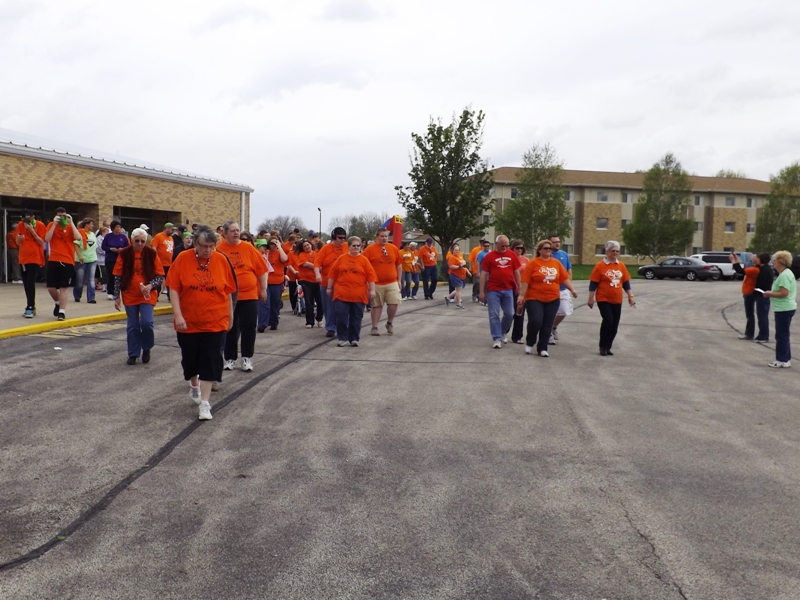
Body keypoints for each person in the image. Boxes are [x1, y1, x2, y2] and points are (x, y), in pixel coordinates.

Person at [167, 225, 237, 420]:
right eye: (204, 246)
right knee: (190, 359)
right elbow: (173, 288)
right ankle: (194, 383)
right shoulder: (183, 258)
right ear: (195, 244)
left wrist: (230, 316)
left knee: (211, 359)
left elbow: (228, 291)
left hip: (215, 319)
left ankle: (205, 403)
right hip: (189, 321)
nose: (208, 250)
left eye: (211, 246)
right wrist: (178, 315)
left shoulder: (221, 260)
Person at [216, 221, 268, 371]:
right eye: (232, 231)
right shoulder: (219, 250)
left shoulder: (248, 248)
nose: (236, 233)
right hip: (228, 297)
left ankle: (247, 357)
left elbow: (262, 270)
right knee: (230, 328)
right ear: (225, 233)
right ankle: (230, 358)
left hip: (249, 295)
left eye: (237, 230)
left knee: (249, 327)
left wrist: (263, 289)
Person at [517, 239, 578, 357]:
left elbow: (564, 278)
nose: (548, 250)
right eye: (545, 248)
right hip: (534, 297)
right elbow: (525, 281)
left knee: (547, 324)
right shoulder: (533, 263)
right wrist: (521, 295)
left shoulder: (556, 263)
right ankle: (530, 342)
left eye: (550, 248)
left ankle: (542, 348)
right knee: (536, 321)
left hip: (553, 298)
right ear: (540, 250)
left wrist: (572, 289)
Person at [113, 228, 165, 365]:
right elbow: (117, 276)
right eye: (137, 241)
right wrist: (116, 296)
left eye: (143, 241)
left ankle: (146, 347)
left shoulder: (151, 254)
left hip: (147, 295)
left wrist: (151, 285)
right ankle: (133, 353)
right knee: (133, 325)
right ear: (131, 240)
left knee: (147, 322)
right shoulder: (124, 253)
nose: (140, 244)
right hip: (129, 294)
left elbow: (160, 275)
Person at [327, 236, 377, 346]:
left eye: (358, 245)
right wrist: (329, 288)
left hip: (358, 294)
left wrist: (372, 290)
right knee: (341, 316)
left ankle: (354, 338)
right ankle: (342, 337)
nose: (356, 247)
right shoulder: (341, 258)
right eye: (354, 245)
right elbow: (332, 274)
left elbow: (371, 276)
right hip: (341, 293)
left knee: (356, 317)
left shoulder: (364, 260)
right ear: (349, 246)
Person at [587, 240, 635, 356]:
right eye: (613, 251)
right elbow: (593, 283)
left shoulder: (621, 265)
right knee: (608, 320)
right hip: (603, 298)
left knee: (614, 325)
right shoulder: (600, 265)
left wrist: (630, 296)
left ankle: (608, 346)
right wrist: (591, 298)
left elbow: (626, 282)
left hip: (617, 299)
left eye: (617, 251)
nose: (615, 253)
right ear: (607, 252)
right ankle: (602, 346)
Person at [479, 235, 521, 348]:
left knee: (510, 313)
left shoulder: (511, 254)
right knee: (494, 315)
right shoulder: (489, 256)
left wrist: (519, 286)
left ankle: (502, 331)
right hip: (493, 290)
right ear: (496, 244)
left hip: (508, 289)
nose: (505, 248)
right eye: (502, 246)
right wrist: (481, 291)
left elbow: (516, 271)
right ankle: (497, 338)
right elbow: (483, 274)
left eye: (507, 246)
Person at [44, 207, 82, 321]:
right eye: (59, 216)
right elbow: (47, 238)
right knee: (51, 287)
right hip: (54, 258)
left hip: (67, 260)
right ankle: (57, 302)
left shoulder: (70, 226)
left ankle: (62, 311)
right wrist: (54, 224)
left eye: (63, 216)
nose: (61, 218)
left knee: (63, 287)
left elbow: (78, 237)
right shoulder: (51, 225)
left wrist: (71, 222)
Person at [363, 228, 403, 335]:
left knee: (394, 303)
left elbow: (399, 265)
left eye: (386, 236)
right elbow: (364, 265)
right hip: (376, 283)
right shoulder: (369, 249)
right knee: (377, 306)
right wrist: (367, 282)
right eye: (382, 236)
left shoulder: (393, 248)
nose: (384, 238)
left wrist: (399, 280)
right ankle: (374, 327)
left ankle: (389, 323)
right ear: (377, 237)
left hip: (392, 282)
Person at [762, 251, 797, 368]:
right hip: (785, 308)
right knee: (784, 334)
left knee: (781, 335)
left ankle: (781, 359)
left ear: (781, 261)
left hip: (784, 308)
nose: (773, 263)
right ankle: (786, 358)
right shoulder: (787, 273)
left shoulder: (784, 276)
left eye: (775, 261)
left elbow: (784, 293)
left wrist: (769, 293)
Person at [315, 227, 349, 337]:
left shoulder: (347, 246)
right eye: (340, 238)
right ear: (334, 237)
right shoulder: (326, 248)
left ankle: (344, 326)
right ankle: (331, 327)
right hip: (327, 282)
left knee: (343, 306)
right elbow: (317, 263)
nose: (342, 240)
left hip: (344, 282)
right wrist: (317, 274)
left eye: (344, 238)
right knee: (329, 307)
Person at [731, 252, 770, 341]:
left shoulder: (756, 269)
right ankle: (750, 333)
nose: (753, 258)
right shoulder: (756, 268)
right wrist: (736, 260)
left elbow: (740, 271)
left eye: (755, 257)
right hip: (750, 291)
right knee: (751, 314)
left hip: (750, 292)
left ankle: (750, 333)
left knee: (751, 314)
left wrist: (733, 260)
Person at [15, 209, 46, 317]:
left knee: (30, 282)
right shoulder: (20, 225)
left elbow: (42, 242)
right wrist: (19, 238)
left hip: (35, 257)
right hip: (23, 257)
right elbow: (17, 242)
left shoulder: (40, 225)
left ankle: (30, 306)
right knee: (25, 282)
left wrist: (32, 230)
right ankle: (30, 304)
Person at [549, 234, 573, 344]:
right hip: (551, 289)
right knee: (550, 312)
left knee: (563, 311)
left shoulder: (564, 254)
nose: (557, 244)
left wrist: (570, 284)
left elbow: (569, 269)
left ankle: (553, 327)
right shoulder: (548, 255)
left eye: (558, 241)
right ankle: (548, 333)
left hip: (563, 288)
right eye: (554, 242)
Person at [295, 239, 323, 328]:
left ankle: (319, 319)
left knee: (320, 301)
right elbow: (306, 264)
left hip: (317, 280)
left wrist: (316, 267)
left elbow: (322, 266)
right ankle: (309, 322)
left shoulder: (317, 254)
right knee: (309, 302)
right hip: (306, 281)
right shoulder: (302, 255)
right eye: (304, 246)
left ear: (311, 245)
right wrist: (316, 266)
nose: (307, 247)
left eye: (308, 245)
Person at [101, 220, 130, 300]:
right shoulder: (108, 236)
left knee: (119, 276)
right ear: (113, 228)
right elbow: (103, 246)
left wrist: (122, 249)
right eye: (117, 227)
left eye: (119, 227)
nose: (118, 228)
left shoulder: (123, 237)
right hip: (110, 259)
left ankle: (118, 292)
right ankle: (110, 292)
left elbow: (128, 247)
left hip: (120, 259)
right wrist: (110, 249)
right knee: (111, 276)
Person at [73, 218, 98, 304]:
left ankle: (91, 298)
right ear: (86, 224)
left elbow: (95, 246)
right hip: (81, 260)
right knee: (80, 280)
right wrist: (79, 256)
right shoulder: (79, 232)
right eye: (91, 224)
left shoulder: (92, 234)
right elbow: (75, 245)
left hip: (92, 259)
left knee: (91, 280)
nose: (92, 226)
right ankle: (77, 296)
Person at [510, 240, 529, 343]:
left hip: (522, 290)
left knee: (519, 313)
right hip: (511, 289)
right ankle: (503, 331)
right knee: (510, 313)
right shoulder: (510, 259)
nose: (519, 250)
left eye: (521, 248)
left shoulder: (526, 260)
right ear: (513, 248)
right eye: (517, 248)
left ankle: (517, 337)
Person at [150, 222, 175, 298]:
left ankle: (170, 296)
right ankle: (155, 296)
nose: (172, 231)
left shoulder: (171, 238)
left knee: (169, 281)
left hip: (169, 264)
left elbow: (171, 250)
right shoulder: (159, 236)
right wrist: (156, 259)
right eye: (171, 229)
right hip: (160, 263)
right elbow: (153, 247)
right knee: (158, 281)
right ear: (167, 228)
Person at [444, 243, 470, 308]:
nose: (457, 251)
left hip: (461, 275)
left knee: (458, 289)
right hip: (455, 275)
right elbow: (451, 266)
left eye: (458, 250)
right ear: (452, 251)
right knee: (459, 289)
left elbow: (463, 266)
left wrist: (467, 271)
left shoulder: (460, 256)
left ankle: (448, 298)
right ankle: (458, 304)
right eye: (455, 250)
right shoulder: (452, 257)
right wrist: (459, 267)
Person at [95, 226, 108, 292]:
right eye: (106, 232)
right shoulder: (98, 239)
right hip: (100, 260)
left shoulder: (107, 239)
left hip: (107, 259)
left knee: (107, 273)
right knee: (103, 273)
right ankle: (103, 286)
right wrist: (108, 251)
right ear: (103, 232)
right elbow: (99, 249)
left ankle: (107, 286)